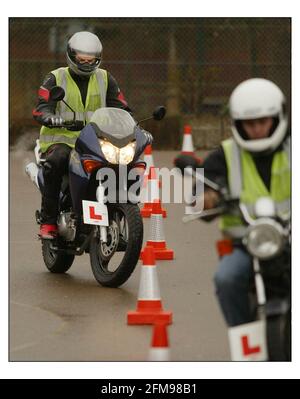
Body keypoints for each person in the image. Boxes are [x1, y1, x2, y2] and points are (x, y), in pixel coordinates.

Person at [195, 78, 290, 327]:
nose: (256, 129)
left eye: (262, 121)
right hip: (245, 244)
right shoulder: (226, 154)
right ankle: (245, 343)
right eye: (249, 123)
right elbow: (202, 190)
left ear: (278, 117)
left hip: (292, 238)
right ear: (237, 123)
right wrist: (208, 198)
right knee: (227, 278)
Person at [33, 31, 134, 239]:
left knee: (123, 161)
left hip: (96, 140)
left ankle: (118, 209)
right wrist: (49, 117)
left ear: (98, 58)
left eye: (91, 60)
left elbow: (121, 106)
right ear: (71, 55)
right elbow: (41, 107)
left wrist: (133, 125)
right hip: (62, 139)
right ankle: (48, 222)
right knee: (57, 161)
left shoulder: (105, 78)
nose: (87, 63)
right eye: (82, 59)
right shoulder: (56, 77)